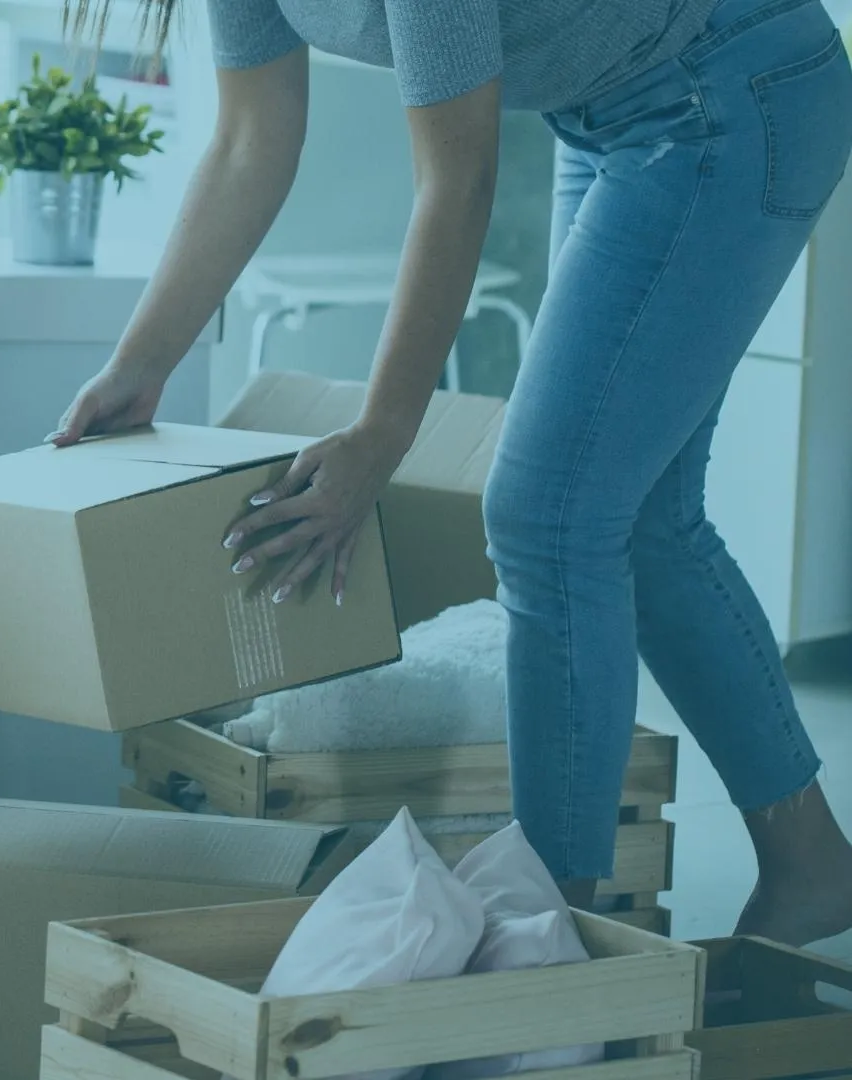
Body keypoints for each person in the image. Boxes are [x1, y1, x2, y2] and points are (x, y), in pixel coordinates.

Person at [54, 0, 852, 946]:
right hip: (605, 113)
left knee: (549, 516)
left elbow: (459, 180)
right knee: (638, 517)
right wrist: (140, 364)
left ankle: (547, 930)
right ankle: (812, 866)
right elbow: (247, 139)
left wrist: (379, 438)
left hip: (725, 93)